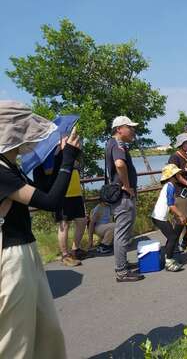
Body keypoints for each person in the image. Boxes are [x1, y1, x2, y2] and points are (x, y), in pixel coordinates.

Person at [0, 100, 82, 358]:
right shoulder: (2, 172)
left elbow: (46, 189)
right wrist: (68, 158)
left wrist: (59, 159)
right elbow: (50, 202)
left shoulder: (11, 166)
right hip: (12, 255)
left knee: (48, 331)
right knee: (17, 340)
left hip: (27, 251)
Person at [106, 116, 144, 282]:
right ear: (119, 129)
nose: (133, 130)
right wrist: (128, 186)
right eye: (130, 127)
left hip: (118, 196)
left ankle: (122, 264)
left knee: (121, 232)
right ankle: (121, 272)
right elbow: (120, 165)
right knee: (122, 234)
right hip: (123, 196)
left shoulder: (111, 143)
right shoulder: (118, 144)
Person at [54, 152, 89, 266]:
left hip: (76, 193)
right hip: (63, 194)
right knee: (64, 224)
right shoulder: (56, 153)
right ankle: (65, 255)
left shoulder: (73, 153)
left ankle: (75, 249)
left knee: (82, 221)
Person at [151, 164, 186, 272]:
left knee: (173, 237)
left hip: (158, 217)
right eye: (177, 174)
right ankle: (169, 262)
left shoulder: (168, 185)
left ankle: (168, 257)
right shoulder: (170, 186)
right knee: (172, 238)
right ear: (172, 176)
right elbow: (171, 205)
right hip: (159, 218)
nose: (179, 175)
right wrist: (180, 215)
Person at [168, 133, 187, 249]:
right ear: (181, 144)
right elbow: (176, 175)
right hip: (180, 191)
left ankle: (186, 241)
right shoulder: (174, 157)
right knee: (181, 218)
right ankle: (173, 245)